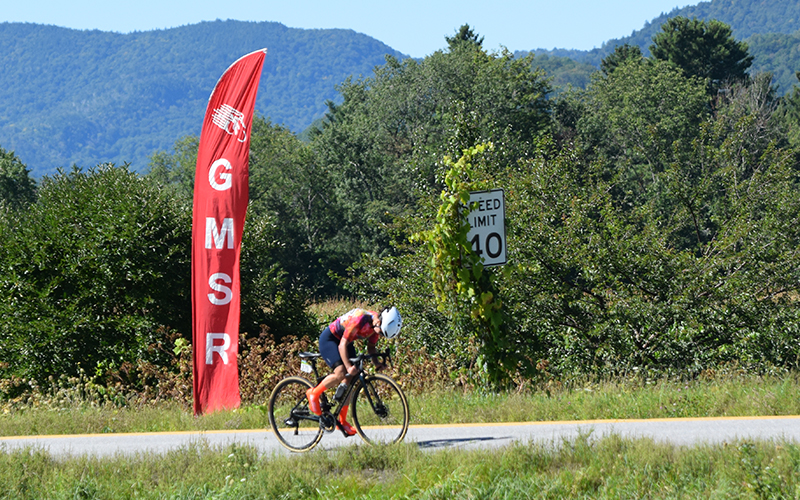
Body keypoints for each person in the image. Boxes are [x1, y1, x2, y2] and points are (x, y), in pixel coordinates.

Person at [306, 306, 402, 436]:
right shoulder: (360, 319)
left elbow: (371, 347)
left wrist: (377, 363)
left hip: (346, 341)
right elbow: (342, 345)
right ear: (379, 322)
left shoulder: (377, 326)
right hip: (331, 339)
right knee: (341, 372)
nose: (379, 335)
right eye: (380, 333)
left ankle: (342, 421)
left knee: (350, 379)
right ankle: (313, 393)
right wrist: (349, 367)